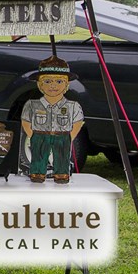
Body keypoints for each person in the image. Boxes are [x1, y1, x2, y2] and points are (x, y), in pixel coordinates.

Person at [21, 55, 84, 184]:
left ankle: (61, 175)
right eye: (48, 81)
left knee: (62, 159)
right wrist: (33, 135)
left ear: (66, 84)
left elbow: (78, 121)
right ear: (40, 85)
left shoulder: (72, 106)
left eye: (59, 81)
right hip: (39, 135)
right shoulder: (32, 105)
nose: (53, 86)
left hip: (62, 136)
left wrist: (69, 137)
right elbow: (26, 121)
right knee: (38, 159)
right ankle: (37, 174)